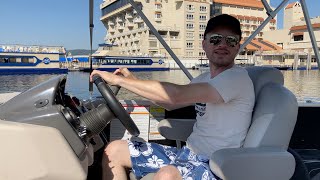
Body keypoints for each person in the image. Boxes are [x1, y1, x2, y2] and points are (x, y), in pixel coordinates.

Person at [90, 14, 255, 180]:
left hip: (215, 166)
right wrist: (133, 81)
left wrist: (118, 80)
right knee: (114, 151)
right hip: (187, 153)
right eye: (215, 39)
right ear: (204, 44)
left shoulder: (236, 78)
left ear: (238, 47)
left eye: (231, 40)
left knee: (167, 175)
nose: (223, 45)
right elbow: (169, 104)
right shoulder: (204, 79)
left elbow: (174, 96)